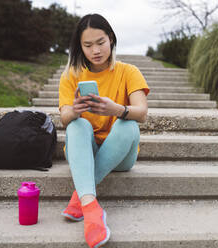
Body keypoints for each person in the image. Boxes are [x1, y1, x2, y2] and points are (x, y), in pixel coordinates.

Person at [58, 13, 149, 248]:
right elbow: (64, 118)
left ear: (111, 39)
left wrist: (116, 109)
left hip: (120, 155)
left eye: (100, 42)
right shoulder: (71, 75)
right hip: (82, 152)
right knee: (77, 124)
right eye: (88, 45)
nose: (95, 50)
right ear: (80, 47)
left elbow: (142, 112)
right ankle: (91, 209)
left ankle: (80, 195)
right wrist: (75, 110)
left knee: (128, 123)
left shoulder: (129, 71)